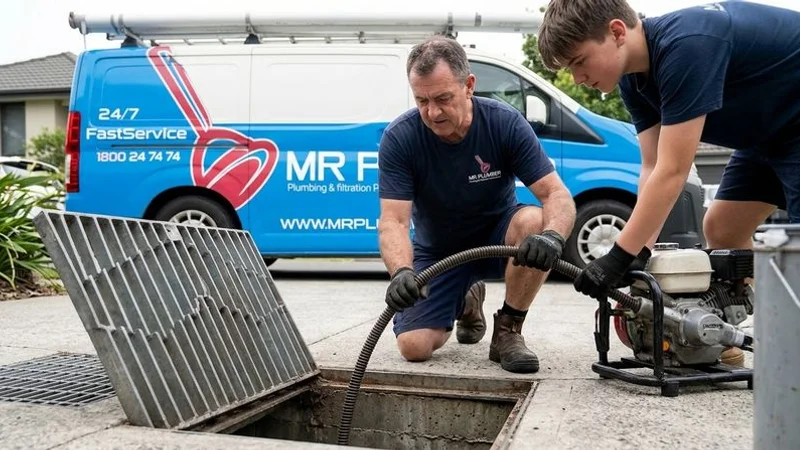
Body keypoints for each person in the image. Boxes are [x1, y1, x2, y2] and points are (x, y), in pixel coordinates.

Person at [537, 0, 800, 366]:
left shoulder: (686, 44)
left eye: (580, 61)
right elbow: (653, 167)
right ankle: (728, 338)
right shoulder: (634, 81)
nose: (578, 78)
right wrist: (638, 253)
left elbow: (675, 170)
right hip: (767, 136)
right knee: (723, 229)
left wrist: (617, 256)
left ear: (616, 32)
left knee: (797, 246)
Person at [377, 35, 576, 374]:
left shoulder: (504, 123)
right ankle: (468, 300)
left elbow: (557, 196)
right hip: (439, 252)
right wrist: (401, 273)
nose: (432, 112)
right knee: (414, 347)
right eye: (421, 100)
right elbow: (393, 221)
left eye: (443, 98)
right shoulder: (401, 138)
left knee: (534, 222)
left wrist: (553, 237)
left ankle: (509, 331)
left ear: (469, 85)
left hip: (500, 240)